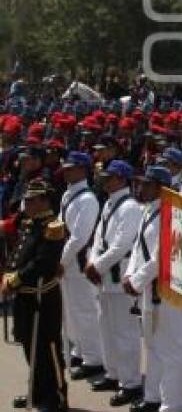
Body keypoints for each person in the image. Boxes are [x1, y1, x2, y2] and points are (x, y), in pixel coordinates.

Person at [123, 165, 182, 412]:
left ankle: (172, 407)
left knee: (171, 349)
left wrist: (137, 281)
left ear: (160, 188)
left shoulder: (174, 214)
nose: (141, 188)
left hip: (168, 291)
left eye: (147, 184)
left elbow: (163, 255)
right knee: (152, 344)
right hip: (148, 289)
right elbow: (138, 249)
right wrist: (130, 275)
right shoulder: (148, 210)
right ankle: (153, 396)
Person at [1, 180, 68, 412]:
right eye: (26, 200)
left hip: (43, 296)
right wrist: (9, 275)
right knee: (29, 345)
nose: (26, 204)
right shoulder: (30, 223)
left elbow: (43, 263)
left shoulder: (53, 227)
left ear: (43, 201)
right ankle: (38, 391)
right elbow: (20, 252)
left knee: (48, 348)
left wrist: (15, 278)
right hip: (25, 294)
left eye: (31, 200)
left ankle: (57, 397)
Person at [85, 158, 143, 405]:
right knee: (106, 328)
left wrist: (97, 265)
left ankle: (130, 382)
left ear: (121, 178)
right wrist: (92, 260)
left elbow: (122, 244)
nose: (104, 180)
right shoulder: (110, 202)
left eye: (109, 177)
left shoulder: (130, 207)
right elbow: (98, 238)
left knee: (124, 332)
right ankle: (113, 373)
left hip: (119, 276)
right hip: (103, 277)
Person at [57, 150, 104, 380]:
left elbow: (79, 237)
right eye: (66, 167)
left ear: (83, 170)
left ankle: (94, 358)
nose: (66, 171)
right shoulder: (67, 195)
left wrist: (62, 261)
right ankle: (80, 349)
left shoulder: (87, 199)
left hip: (78, 261)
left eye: (71, 168)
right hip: (67, 261)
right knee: (71, 310)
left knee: (85, 310)